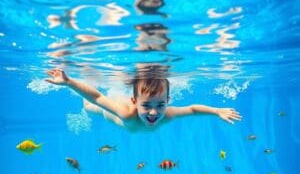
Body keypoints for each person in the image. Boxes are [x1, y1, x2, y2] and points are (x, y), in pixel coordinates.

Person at [45, 67, 242, 132]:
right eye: (146, 105)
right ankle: (83, 81)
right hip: (109, 111)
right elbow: (97, 97)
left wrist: (217, 111)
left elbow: (192, 109)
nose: (154, 112)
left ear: (168, 101)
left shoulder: (168, 114)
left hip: (125, 102)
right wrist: (69, 82)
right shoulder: (126, 113)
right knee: (90, 106)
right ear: (135, 102)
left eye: (160, 105)